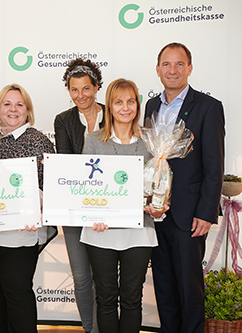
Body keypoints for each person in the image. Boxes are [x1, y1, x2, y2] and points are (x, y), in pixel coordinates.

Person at [145, 42, 225, 333]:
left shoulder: (207, 107)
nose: (173, 70)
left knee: (189, 289)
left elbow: (214, 165)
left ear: (190, 68)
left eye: (180, 64)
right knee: (164, 286)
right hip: (156, 213)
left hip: (189, 215)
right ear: (157, 70)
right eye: (166, 64)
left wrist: (206, 212)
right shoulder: (152, 106)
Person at [80, 78, 166, 333]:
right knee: (105, 299)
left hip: (139, 232)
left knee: (131, 299)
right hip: (101, 232)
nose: (125, 107)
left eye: (131, 101)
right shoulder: (93, 140)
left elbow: (156, 189)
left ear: (137, 106)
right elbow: (86, 187)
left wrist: (158, 207)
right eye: (118, 102)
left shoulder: (152, 143)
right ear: (109, 106)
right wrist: (90, 215)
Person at [0, 84, 56, 333]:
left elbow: (51, 187)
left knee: (17, 294)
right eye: (7, 104)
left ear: (28, 110)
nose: (13, 109)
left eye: (19, 104)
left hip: (21, 235)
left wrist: (37, 210)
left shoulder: (39, 141)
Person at [53, 58, 104, 333]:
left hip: (108, 206)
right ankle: (89, 329)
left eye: (86, 88)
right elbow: (66, 163)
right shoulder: (63, 120)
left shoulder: (114, 113)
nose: (81, 95)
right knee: (82, 278)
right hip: (74, 208)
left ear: (96, 87)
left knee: (105, 279)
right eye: (74, 90)